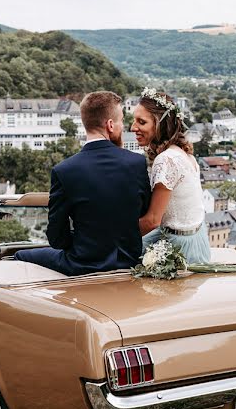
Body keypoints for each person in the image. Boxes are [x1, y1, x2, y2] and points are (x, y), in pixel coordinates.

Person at [14, 91, 151, 275]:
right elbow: (142, 212)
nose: (123, 127)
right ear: (110, 125)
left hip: (83, 265)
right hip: (127, 262)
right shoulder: (136, 163)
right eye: (121, 121)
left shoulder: (64, 171)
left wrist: (83, 243)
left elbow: (56, 238)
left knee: (19, 256)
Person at [132, 88, 211, 264]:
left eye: (141, 122)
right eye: (133, 121)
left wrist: (113, 235)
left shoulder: (166, 160)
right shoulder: (183, 153)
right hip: (196, 240)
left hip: (179, 248)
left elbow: (153, 221)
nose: (133, 127)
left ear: (159, 125)